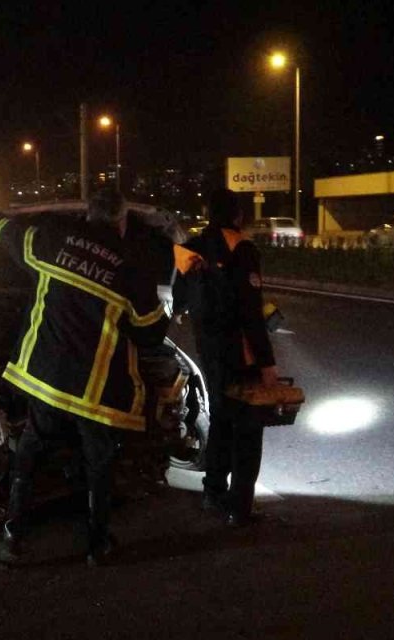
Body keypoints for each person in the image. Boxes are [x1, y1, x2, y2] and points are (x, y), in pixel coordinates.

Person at [0, 188, 169, 566]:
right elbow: (151, 333)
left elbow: (8, 234)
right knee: (99, 465)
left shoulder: (52, 241)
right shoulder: (132, 269)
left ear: (87, 214)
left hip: (45, 381)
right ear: (121, 221)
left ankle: (12, 539)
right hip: (94, 394)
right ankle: (97, 545)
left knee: (30, 455)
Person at [174, 188, 278, 526]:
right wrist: (267, 364)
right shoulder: (241, 248)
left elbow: (178, 300)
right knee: (248, 429)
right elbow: (250, 313)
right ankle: (240, 509)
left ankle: (213, 493)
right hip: (240, 354)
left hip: (209, 350)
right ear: (237, 215)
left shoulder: (190, 248)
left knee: (220, 419)